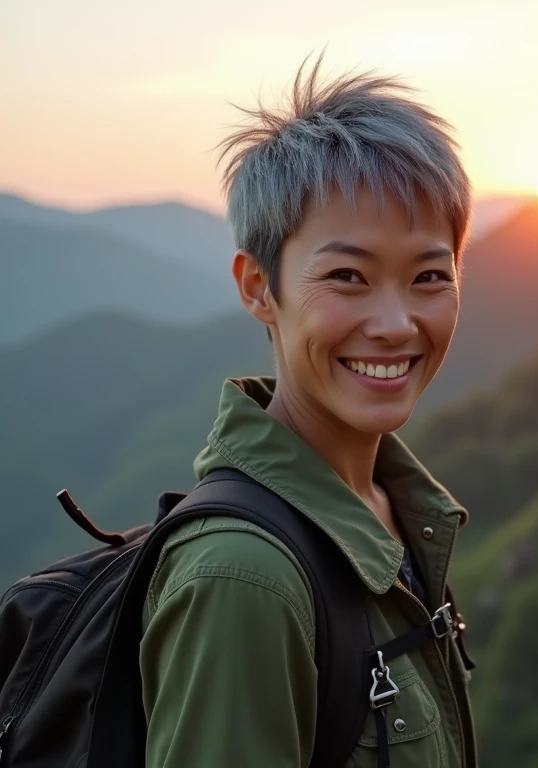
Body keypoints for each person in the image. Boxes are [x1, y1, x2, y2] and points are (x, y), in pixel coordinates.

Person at [139, 54, 477, 768]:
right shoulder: (242, 579)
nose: (395, 323)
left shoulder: (393, 511)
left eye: (428, 277)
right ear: (259, 287)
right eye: (347, 277)